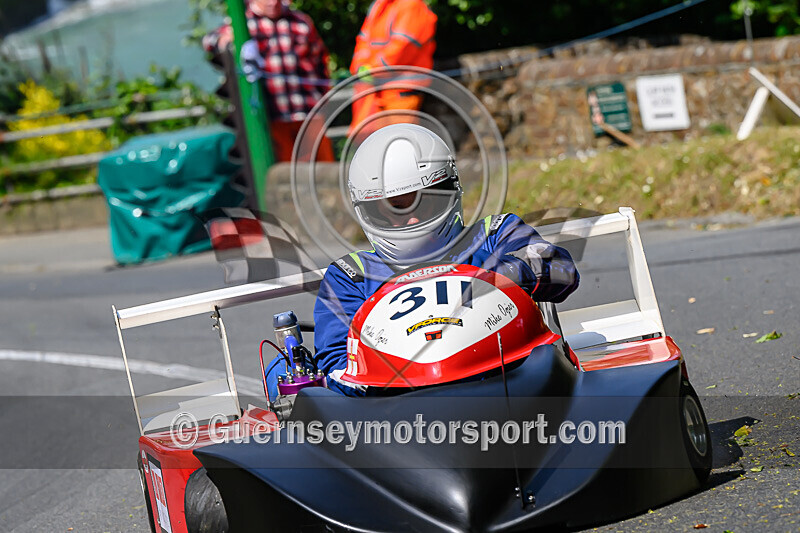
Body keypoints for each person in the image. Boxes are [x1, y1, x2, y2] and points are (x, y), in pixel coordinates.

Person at [313, 124, 580, 395]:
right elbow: (337, 365)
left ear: (448, 191)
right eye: (398, 207)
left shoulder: (494, 234)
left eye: (424, 201)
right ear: (370, 209)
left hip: (513, 381)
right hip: (405, 407)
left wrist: (502, 273)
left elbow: (562, 270)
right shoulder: (351, 276)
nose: (414, 218)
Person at [203, 0, 334, 161]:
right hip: (273, 116)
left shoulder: (300, 22)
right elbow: (210, 41)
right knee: (284, 174)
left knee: (321, 169)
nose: (273, 3)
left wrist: (323, 99)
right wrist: (225, 40)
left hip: (307, 113)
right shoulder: (244, 24)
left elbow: (321, 62)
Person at [349, 0, 437, 134]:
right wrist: (360, 66)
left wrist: (371, 69)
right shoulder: (379, 6)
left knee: (400, 144)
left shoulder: (411, 5)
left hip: (402, 93)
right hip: (377, 91)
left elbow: (403, 46)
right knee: (377, 145)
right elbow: (363, 41)